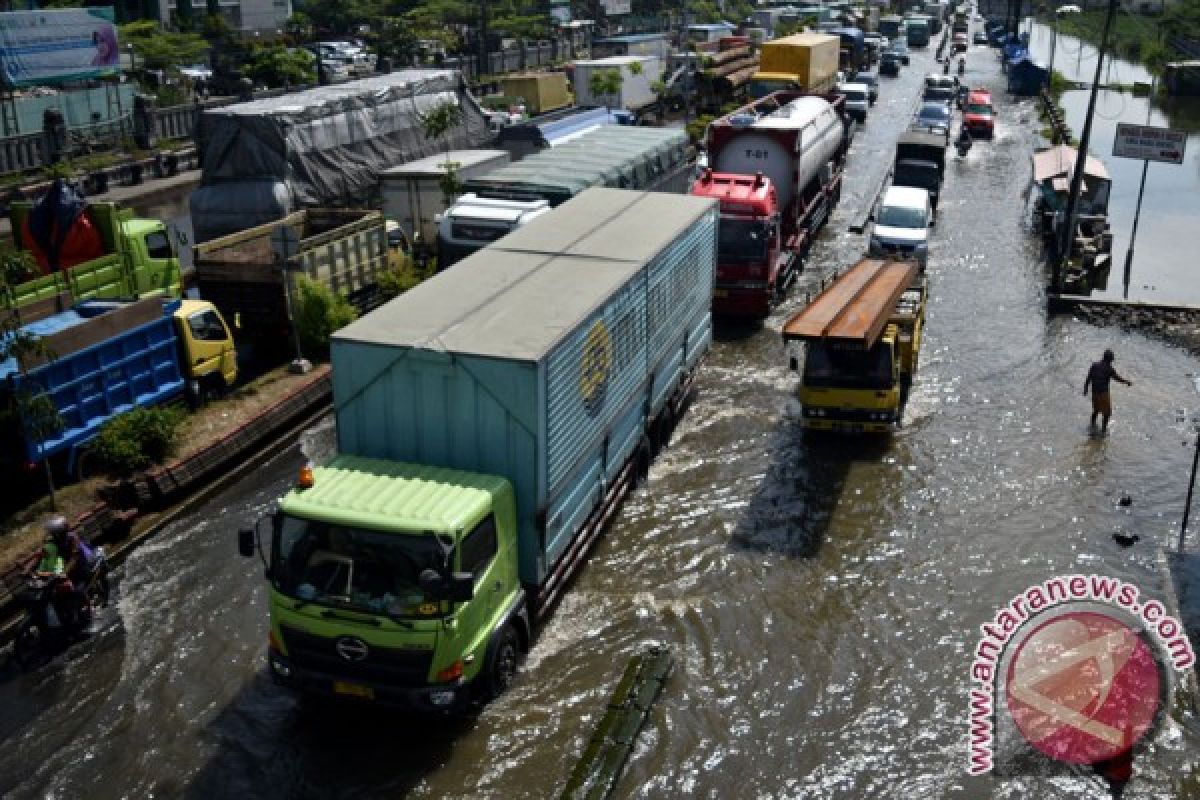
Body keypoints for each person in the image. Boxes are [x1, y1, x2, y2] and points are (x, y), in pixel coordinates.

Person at [30, 516, 95, 625]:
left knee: (77, 589)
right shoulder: (52, 542)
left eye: (56, 533)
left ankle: (89, 612)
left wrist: (64, 572)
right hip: (61, 569)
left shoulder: (72, 538)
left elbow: (75, 557)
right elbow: (41, 554)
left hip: (79, 568)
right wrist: (29, 569)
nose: (54, 535)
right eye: (52, 533)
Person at [1083, 349, 1132, 433]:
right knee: (1107, 413)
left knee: (1096, 410)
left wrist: (1085, 389)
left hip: (1094, 393)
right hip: (1103, 394)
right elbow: (1117, 378)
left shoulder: (1094, 365)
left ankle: (1092, 426)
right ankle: (1103, 430)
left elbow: (1088, 378)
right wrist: (1126, 382)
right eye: (1111, 359)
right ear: (1110, 359)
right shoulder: (1109, 369)